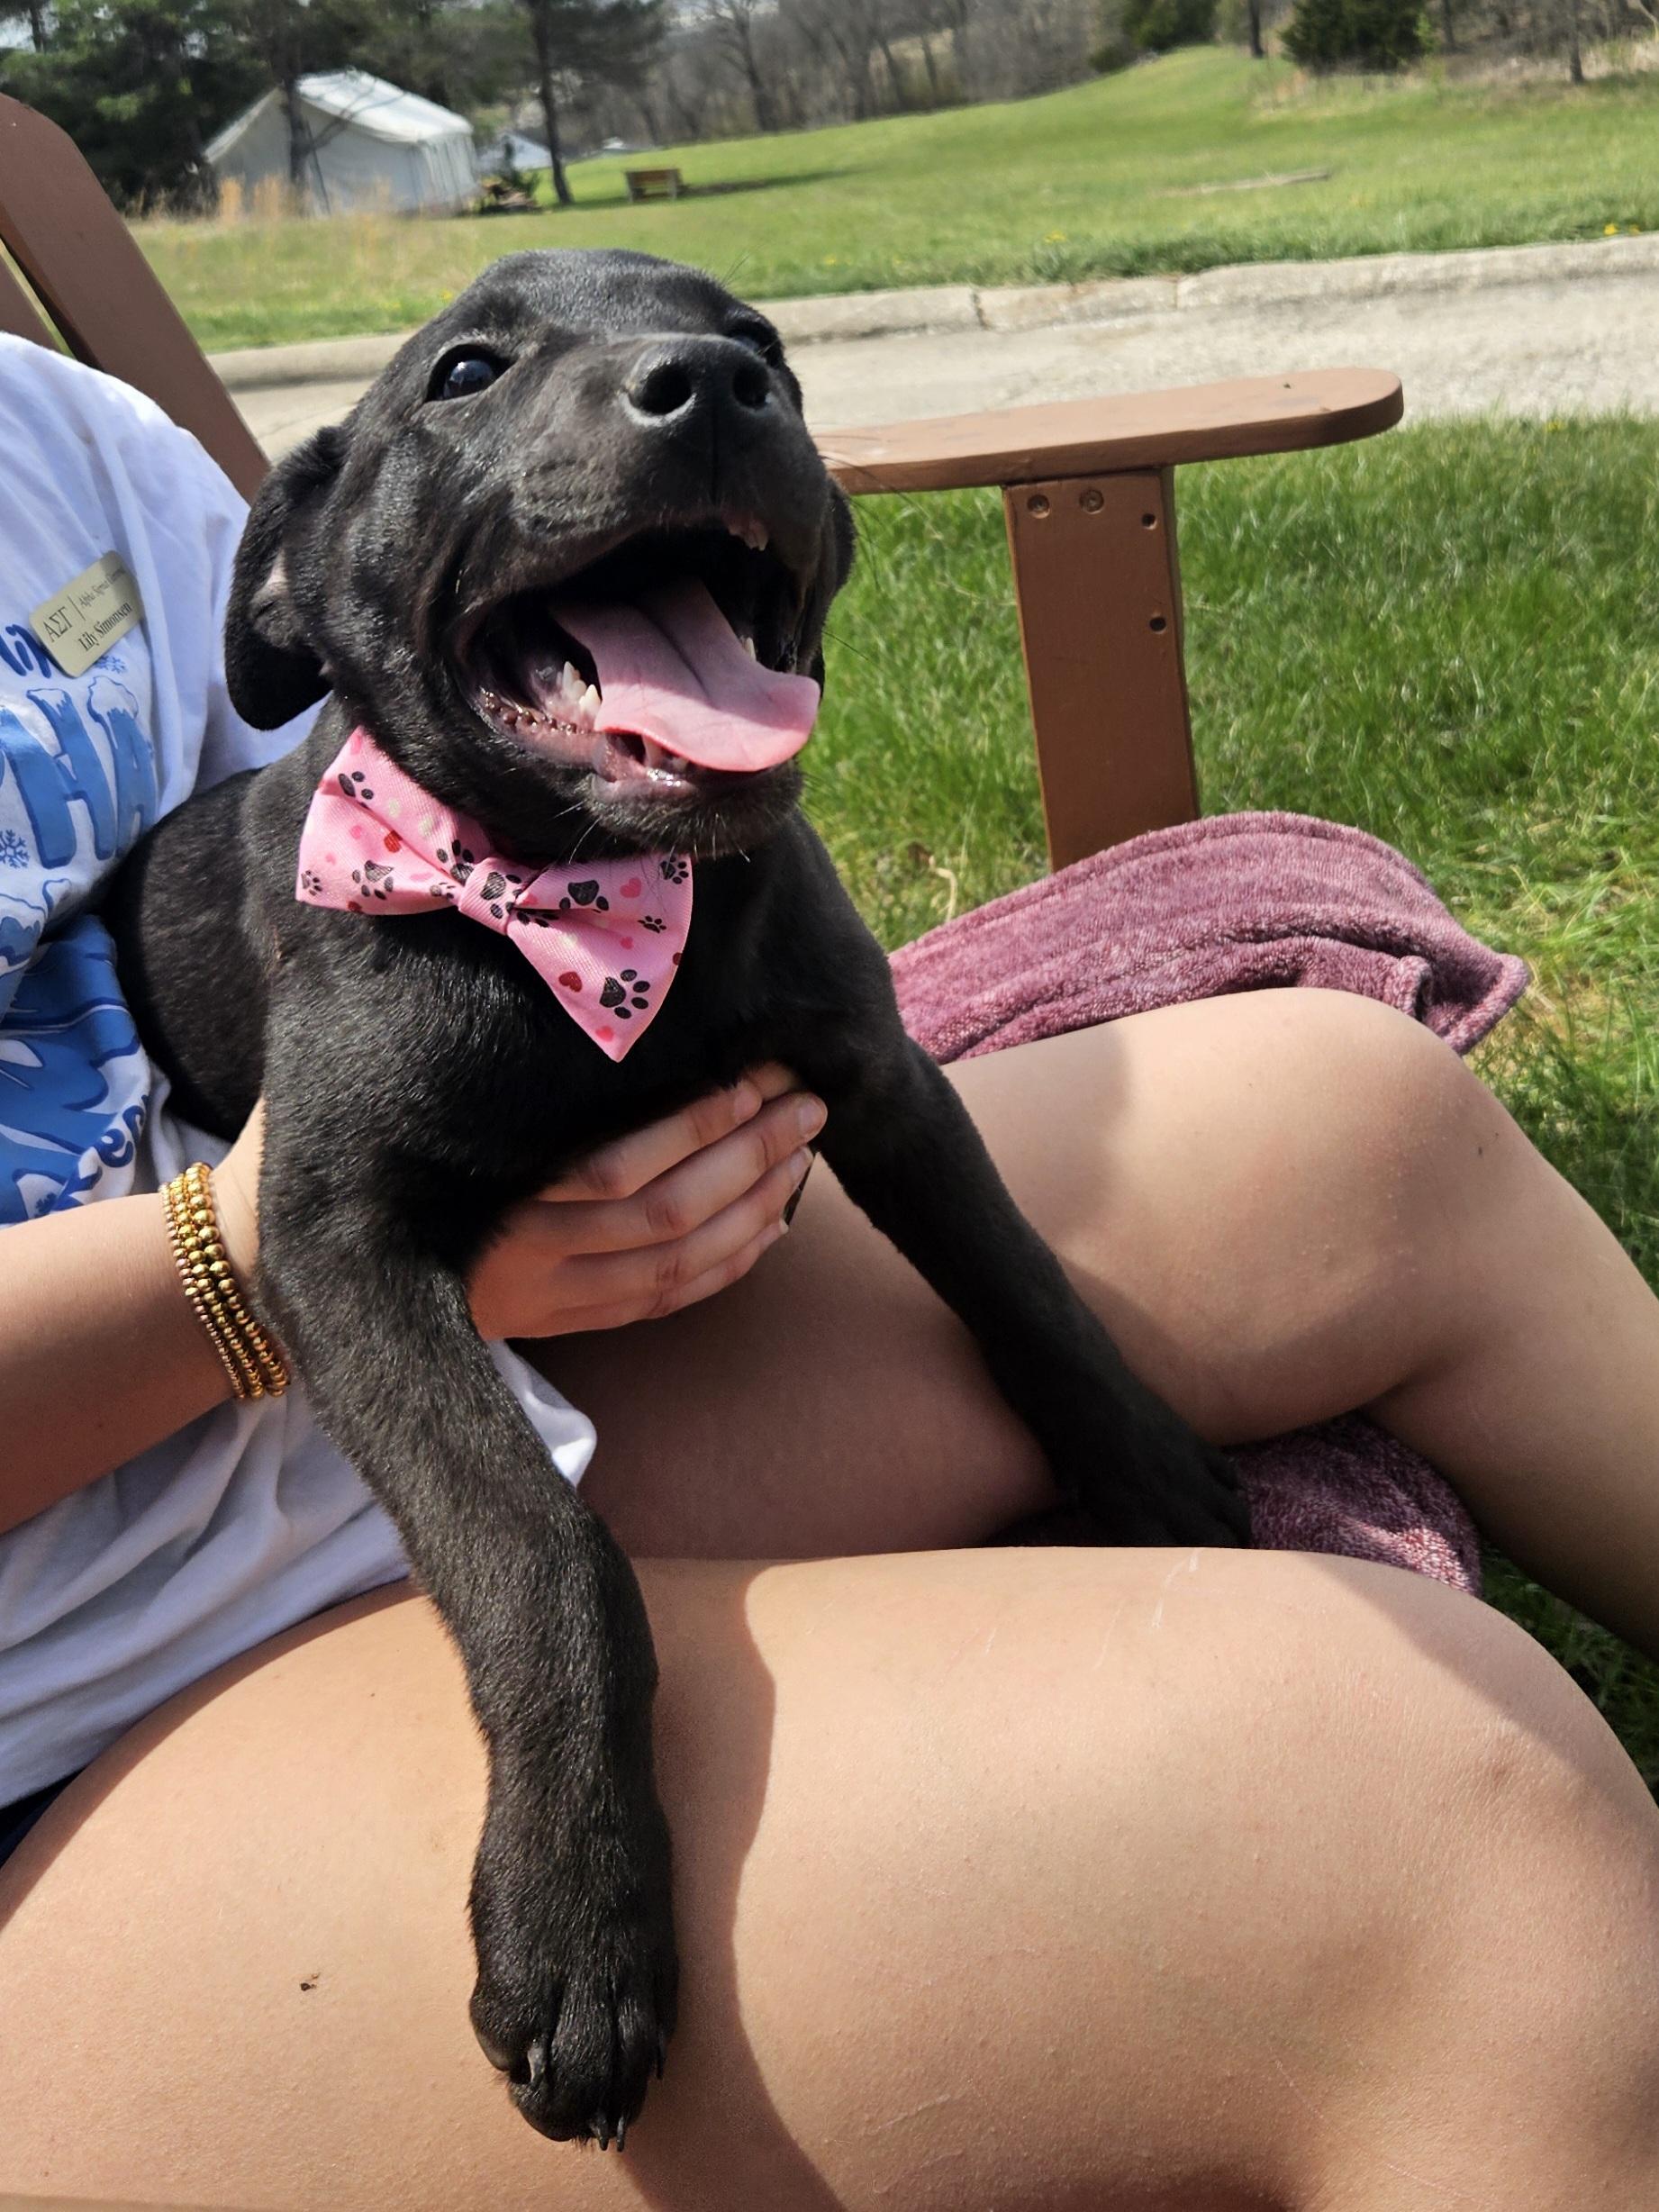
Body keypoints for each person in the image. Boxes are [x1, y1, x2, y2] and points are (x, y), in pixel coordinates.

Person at [2, 332, 1658, 2212]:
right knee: (1435, 1813)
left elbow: (314, 839)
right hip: (65, 1706)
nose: (690, 376)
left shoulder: (61, 438)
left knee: (1366, 1131)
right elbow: (324, 1150)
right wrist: (237, 1263)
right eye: (479, 367)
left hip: (365, 1417)